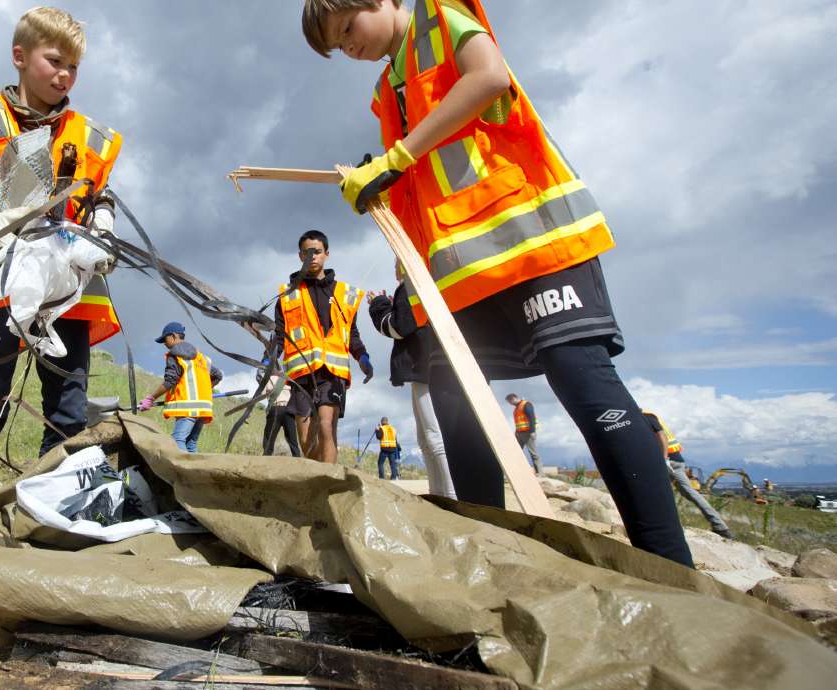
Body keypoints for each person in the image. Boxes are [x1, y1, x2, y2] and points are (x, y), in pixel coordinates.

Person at [302, 0, 693, 566]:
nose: (349, 47)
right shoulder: (389, 90)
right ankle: (489, 558)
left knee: (585, 386)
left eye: (348, 29)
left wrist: (398, 156)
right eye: (338, 46)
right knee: (455, 402)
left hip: (532, 243)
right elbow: (425, 177)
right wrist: (389, 196)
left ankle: (670, 567)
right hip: (461, 274)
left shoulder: (440, 17)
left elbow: (488, 77)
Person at [0, 7, 123, 536]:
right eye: (53, 61)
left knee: (68, 410)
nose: (64, 75)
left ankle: (49, 527)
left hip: (69, 288)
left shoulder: (88, 135)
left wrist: (104, 221)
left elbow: (98, 192)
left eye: (73, 67)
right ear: (20, 57)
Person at [273, 230, 373, 464]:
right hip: (301, 376)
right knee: (307, 445)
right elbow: (279, 335)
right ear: (300, 256)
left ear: (326, 254)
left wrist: (363, 357)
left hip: (332, 374)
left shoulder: (344, 294)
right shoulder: (287, 296)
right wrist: (269, 359)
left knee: (327, 428)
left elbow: (352, 334)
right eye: (307, 253)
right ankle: (315, 480)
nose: (312, 257)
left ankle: (329, 485)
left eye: (317, 252)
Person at [368, 262, 455, 497]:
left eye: (397, 262)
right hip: (431, 365)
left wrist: (378, 304)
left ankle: (449, 496)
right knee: (426, 437)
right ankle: (438, 495)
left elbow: (398, 327)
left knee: (434, 437)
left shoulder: (412, 286)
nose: (395, 267)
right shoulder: (429, 283)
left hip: (426, 366)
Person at [643, 411, 734, 540]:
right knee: (690, 493)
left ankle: (655, 526)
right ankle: (721, 527)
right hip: (677, 461)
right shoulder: (650, 416)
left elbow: (661, 436)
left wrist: (664, 459)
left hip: (668, 462)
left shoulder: (645, 417)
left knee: (648, 490)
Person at [138, 322, 223, 453]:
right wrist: (205, 390)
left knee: (178, 440)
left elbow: (170, 381)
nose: (164, 344)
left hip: (187, 408)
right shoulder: (202, 358)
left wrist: (151, 398)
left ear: (173, 336)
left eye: (165, 340)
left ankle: (184, 472)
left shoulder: (175, 354)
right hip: (203, 408)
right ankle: (196, 472)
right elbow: (217, 375)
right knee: (191, 443)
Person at [259, 363, 302, 456]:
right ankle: (297, 458)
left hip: (276, 409)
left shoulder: (267, 380)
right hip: (287, 410)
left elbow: (261, 396)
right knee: (292, 439)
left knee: (269, 438)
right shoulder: (288, 378)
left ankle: (266, 457)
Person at [505, 394, 541, 475]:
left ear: (514, 398)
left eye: (510, 401)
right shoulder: (517, 408)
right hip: (519, 433)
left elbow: (531, 418)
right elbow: (519, 422)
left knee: (533, 453)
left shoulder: (526, 404)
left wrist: (532, 431)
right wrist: (516, 432)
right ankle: (517, 472)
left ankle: (540, 472)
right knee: (517, 452)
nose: (510, 404)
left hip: (528, 433)